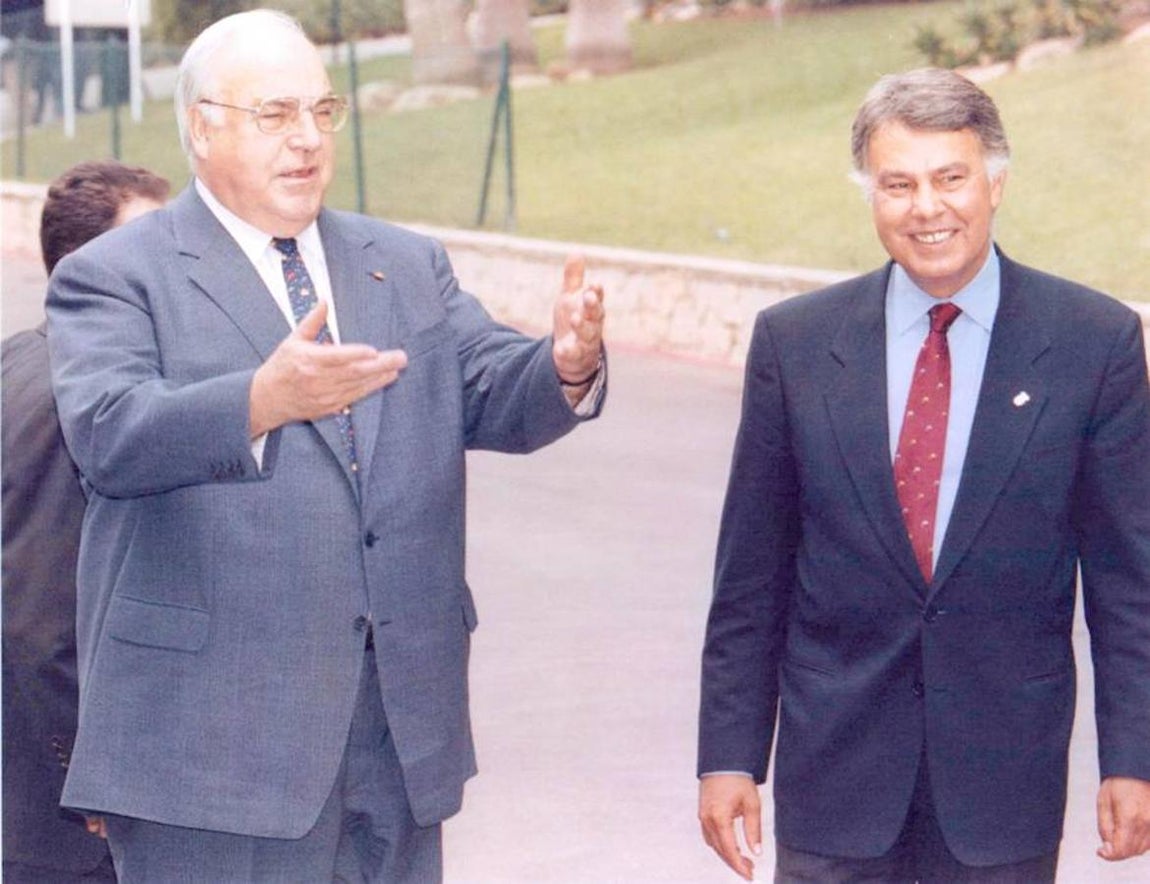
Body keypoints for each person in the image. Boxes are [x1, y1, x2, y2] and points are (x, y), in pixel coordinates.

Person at [46, 9, 606, 883]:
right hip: (213, 760)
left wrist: (566, 365)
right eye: (276, 115)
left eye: (323, 111)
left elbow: (492, 387)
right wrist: (259, 403)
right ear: (202, 125)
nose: (307, 139)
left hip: (395, 739)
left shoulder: (402, 262)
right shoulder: (117, 274)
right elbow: (109, 435)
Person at [697, 67, 1150, 882]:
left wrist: (1136, 758)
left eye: (952, 177)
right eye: (898, 184)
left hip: (1003, 786)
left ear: (997, 183)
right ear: (870, 196)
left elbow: (1128, 585)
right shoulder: (795, 346)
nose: (928, 208)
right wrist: (728, 758)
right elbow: (751, 577)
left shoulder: (1095, 344)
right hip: (834, 784)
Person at [3, 160, 170, 884]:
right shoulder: (70, 397)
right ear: (85, 271)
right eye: (154, 249)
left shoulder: (24, 358)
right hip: (77, 824)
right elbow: (40, 610)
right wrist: (90, 771)